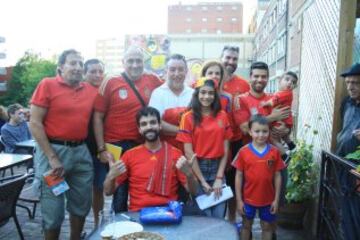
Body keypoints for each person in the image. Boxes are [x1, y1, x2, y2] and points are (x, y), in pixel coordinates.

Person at [30, 49, 94, 240]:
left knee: (81, 206)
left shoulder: (90, 90)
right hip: (53, 153)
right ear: (60, 66)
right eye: (72, 63)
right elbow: (34, 123)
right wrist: (52, 157)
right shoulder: (47, 85)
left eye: (80, 64)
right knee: (53, 213)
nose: (77, 67)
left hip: (81, 153)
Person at [93, 46, 162, 212]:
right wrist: (101, 149)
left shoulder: (153, 79)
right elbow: (97, 117)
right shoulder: (111, 81)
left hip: (142, 143)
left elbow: (170, 90)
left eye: (138, 60)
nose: (135, 65)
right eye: (130, 61)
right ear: (123, 63)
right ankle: (119, 226)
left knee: (142, 184)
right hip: (116, 145)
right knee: (120, 189)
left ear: (143, 62)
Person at [103, 107, 198, 211]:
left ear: (160, 125)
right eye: (144, 124)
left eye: (153, 122)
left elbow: (193, 191)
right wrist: (111, 175)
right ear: (139, 129)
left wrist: (189, 175)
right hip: (138, 215)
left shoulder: (175, 154)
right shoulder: (129, 155)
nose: (149, 127)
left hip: (169, 214)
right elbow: (108, 192)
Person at [177, 78, 233, 218]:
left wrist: (219, 177)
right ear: (197, 94)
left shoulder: (223, 116)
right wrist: (201, 181)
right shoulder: (187, 117)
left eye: (210, 93)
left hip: (217, 168)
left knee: (219, 217)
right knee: (204, 217)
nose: (206, 96)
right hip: (198, 168)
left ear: (215, 96)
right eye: (203, 92)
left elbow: (226, 150)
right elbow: (189, 153)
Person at [232, 115, 285, 240]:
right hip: (248, 199)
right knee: (246, 226)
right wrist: (239, 200)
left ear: (269, 132)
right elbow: (238, 176)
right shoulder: (243, 152)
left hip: (268, 199)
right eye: (257, 131)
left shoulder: (274, 152)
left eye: (264, 131)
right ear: (250, 132)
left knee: (267, 226)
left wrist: (276, 200)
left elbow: (278, 176)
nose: (261, 135)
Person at [220, 46, 251, 222]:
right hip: (213, 141)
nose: (231, 62)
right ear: (221, 58)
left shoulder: (243, 84)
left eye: (234, 59)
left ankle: (231, 220)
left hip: (235, 140)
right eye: (228, 58)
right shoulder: (209, 80)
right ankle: (213, 221)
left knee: (232, 183)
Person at [335, 63, 360, 239]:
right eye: (348, 82)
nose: (350, 87)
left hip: (358, 169)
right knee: (346, 210)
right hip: (343, 164)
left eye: (356, 83)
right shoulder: (346, 103)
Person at [149, 54, 194, 150]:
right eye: (172, 69)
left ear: (186, 71)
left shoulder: (193, 94)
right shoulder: (158, 93)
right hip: (165, 150)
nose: (176, 74)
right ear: (166, 71)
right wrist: (185, 131)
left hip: (191, 149)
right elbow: (155, 122)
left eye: (181, 69)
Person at [83, 58, 105, 227]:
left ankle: (98, 223)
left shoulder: (106, 91)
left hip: (104, 147)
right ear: (85, 74)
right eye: (93, 71)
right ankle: (81, 225)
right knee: (81, 190)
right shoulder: (79, 91)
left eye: (100, 71)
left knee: (99, 188)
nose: (98, 75)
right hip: (83, 147)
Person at [260, 71, 298, 158]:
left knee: (273, 138)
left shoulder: (285, 93)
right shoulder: (282, 93)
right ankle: (291, 145)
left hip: (282, 120)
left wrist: (265, 104)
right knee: (284, 135)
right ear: (279, 80)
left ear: (294, 86)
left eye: (293, 82)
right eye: (287, 79)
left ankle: (284, 156)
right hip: (285, 120)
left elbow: (274, 101)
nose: (289, 83)